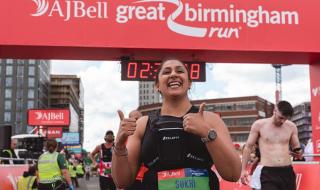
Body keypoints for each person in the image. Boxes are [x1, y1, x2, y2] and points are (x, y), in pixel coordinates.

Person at [112, 59, 241, 190]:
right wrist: (120, 143)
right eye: (166, 72)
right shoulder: (142, 124)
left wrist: (207, 133)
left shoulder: (210, 120)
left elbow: (233, 174)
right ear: (157, 85)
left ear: (190, 83)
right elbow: (121, 182)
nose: (173, 74)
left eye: (179, 71)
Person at [240, 100, 302, 190]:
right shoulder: (259, 125)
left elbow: (297, 148)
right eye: (280, 117)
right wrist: (243, 170)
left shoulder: (291, 127)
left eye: (285, 119)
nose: (283, 121)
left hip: (287, 172)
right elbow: (248, 147)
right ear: (275, 110)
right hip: (268, 172)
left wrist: (298, 153)